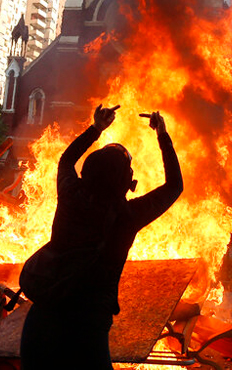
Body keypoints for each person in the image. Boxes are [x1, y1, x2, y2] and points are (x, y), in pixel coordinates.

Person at [19, 106, 182, 369]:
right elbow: (175, 186)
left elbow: (66, 160)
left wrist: (96, 128)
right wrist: (162, 135)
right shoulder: (127, 216)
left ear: (89, 171)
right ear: (125, 180)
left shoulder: (70, 195)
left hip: (41, 322)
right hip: (87, 329)